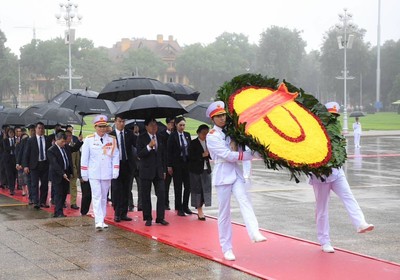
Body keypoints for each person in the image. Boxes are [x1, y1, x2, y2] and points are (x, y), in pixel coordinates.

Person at [309, 102, 374, 253]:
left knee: (348, 196)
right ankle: (325, 241)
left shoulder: (337, 130)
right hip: (320, 175)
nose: (333, 118)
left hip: (337, 172)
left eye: (335, 115)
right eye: (331, 115)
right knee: (322, 209)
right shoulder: (315, 130)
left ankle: (361, 223)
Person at [205, 101, 266, 261]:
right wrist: (248, 155)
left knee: (245, 200)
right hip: (223, 174)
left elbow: (240, 149)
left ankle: (254, 232)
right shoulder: (212, 136)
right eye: (218, 116)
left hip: (236, 174)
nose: (222, 118)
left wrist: (257, 151)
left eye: (223, 115)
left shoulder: (232, 132)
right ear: (213, 118)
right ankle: (227, 248)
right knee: (224, 213)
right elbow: (228, 155)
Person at [80, 115, 120, 230]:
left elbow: (115, 155)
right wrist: (84, 173)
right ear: (95, 127)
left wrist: (115, 169)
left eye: (104, 126)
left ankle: (102, 219)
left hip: (106, 172)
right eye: (100, 127)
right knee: (96, 196)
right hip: (94, 173)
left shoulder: (112, 140)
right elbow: (85, 157)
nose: (102, 129)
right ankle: (98, 221)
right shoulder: (89, 139)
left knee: (104, 197)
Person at [136, 118, 168, 226]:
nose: (154, 127)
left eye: (155, 125)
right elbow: (139, 154)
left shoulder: (160, 137)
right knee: (146, 195)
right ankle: (148, 217)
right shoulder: (141, 138)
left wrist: (164, 170)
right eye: (151, 125)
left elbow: (163, 155)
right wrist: (149, 147)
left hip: (158, 170)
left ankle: (160, 217)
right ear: (146, 127)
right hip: (146, 170)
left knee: (162, 193)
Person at [110, 116, 135, 222]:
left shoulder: (129, 133)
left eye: (123, 121)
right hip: (115, 165)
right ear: (115, 122)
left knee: (126, 189)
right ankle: (117, 212)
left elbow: (136, 143)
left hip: (127, 164)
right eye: (119, 121)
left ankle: (124, 213)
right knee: (116, 189)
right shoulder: (111, 135)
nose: (121, 123)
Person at [22, 122, 52, 209]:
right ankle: (35, 201)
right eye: (39, 128)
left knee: (44, 184)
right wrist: (26, 166)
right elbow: (26, 154)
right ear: (35, 129)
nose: (41, 130)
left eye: (42, 128)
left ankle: (43, 201)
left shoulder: (47, 139)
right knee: (34, 184)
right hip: (34, 165)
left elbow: (50, 152)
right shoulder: (31, 140)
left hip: (45, 164)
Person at [167, 116, 192, 216]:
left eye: (183, 125)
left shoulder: (187, 135)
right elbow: (169, 152)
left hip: (186, 163)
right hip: (177, 164)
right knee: (178, 187)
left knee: (188, 186)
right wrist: (169, 166)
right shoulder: (172, 136)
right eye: (180, 125)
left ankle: (185, 206)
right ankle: (179, 207)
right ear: (176, 125)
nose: (182, 127)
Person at [188, 124, 212, 221]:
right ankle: (199, 210)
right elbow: (190, 156)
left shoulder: (209, 143)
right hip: (196, 170)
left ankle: (202, 207)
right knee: (198, 190)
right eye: (203, 133)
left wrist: (209, 154)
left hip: (206, 169)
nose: (205, 135)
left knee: (205, 190)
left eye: (207, 133)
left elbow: (212, 156)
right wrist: (201, 155)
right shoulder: (193, 143)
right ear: (198, 133)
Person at [47, 132, 73, 218]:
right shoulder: (51, 150)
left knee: (65, 192)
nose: (64, 143)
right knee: (58, 193)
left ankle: (59, 209)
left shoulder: (65, 148)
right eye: (62, 141)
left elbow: (74, 150)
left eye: (65, 141)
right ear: (56, 140)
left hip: (66, 173)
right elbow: (54, 164)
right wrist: (62, 173)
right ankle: (58, 212)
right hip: (57, 174)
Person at [64, 130, 83, 210]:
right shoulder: (61, 146)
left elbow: (77, 160)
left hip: (73, 170)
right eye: (67, 136)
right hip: (64, 170)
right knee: (63, 187)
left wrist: (79, 173)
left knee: (73, 187)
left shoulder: (72, 146)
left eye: (70, 136)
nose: (69, 138)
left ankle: (73, 202)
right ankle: (63, 201)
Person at [159, 117, 175, 210]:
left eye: (173, 123)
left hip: (175, 163)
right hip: (165, 163)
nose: (172, 125)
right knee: (165, 186)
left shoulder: (176, 134)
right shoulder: (162, 135)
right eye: (171, 123)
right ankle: (165, 203)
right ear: (167, 124)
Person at [3, 127, 17, 195]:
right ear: (8, 133)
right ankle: (11, 188)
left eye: (12, 132)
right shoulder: (5, 140)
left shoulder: (16, 140)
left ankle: (13, 187)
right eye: (10, 132)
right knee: (9, 174)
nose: (11, 134)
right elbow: (6, 149)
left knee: (14, 174)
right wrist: (14, 146)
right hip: (8, 159)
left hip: (14, 158)